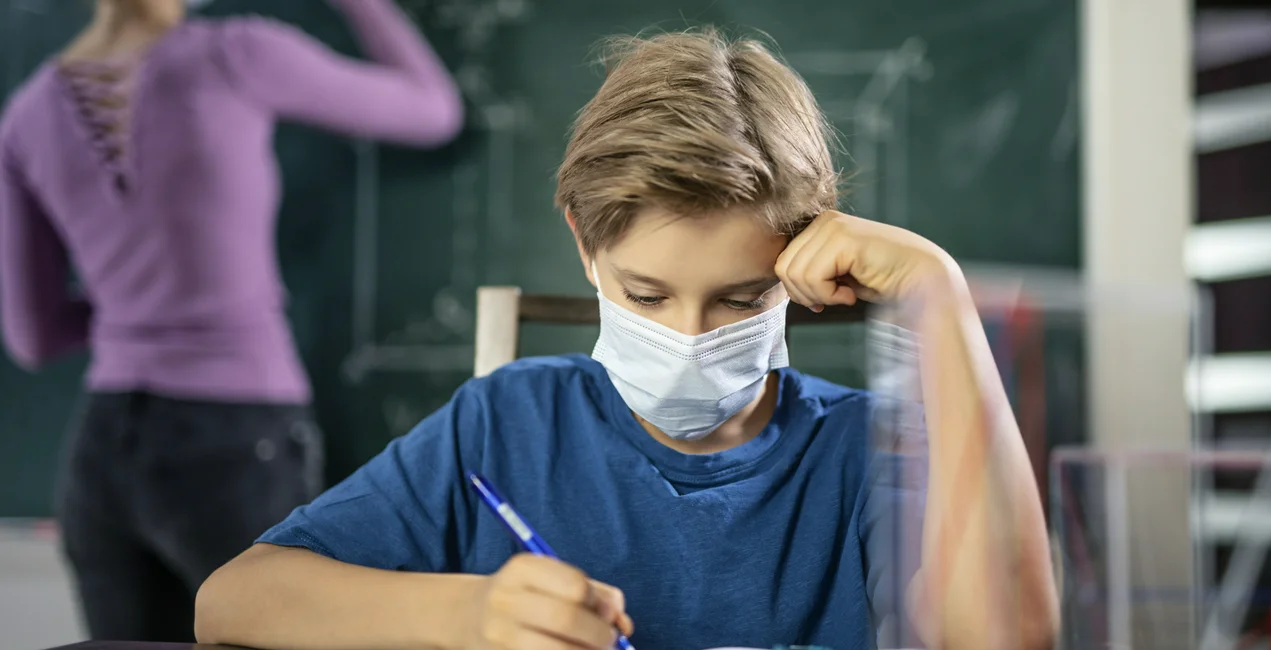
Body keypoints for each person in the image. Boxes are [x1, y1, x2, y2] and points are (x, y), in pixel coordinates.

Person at [193, 29, 1058, 650]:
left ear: (801, 268)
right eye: (647, 293)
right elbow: (232, 602)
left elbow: (1010, 639)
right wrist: (469, 617)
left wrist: (943, 305)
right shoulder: (505, 423)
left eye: (741, 297)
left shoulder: (868, 449)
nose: (687, 338)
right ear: (583, 242)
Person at [0, 0, 463, 642]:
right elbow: (432, 111)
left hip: (102, 451)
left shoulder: (27, 115)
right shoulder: (234, 54)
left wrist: (134, 309)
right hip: (233, 439)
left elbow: (32, 335)